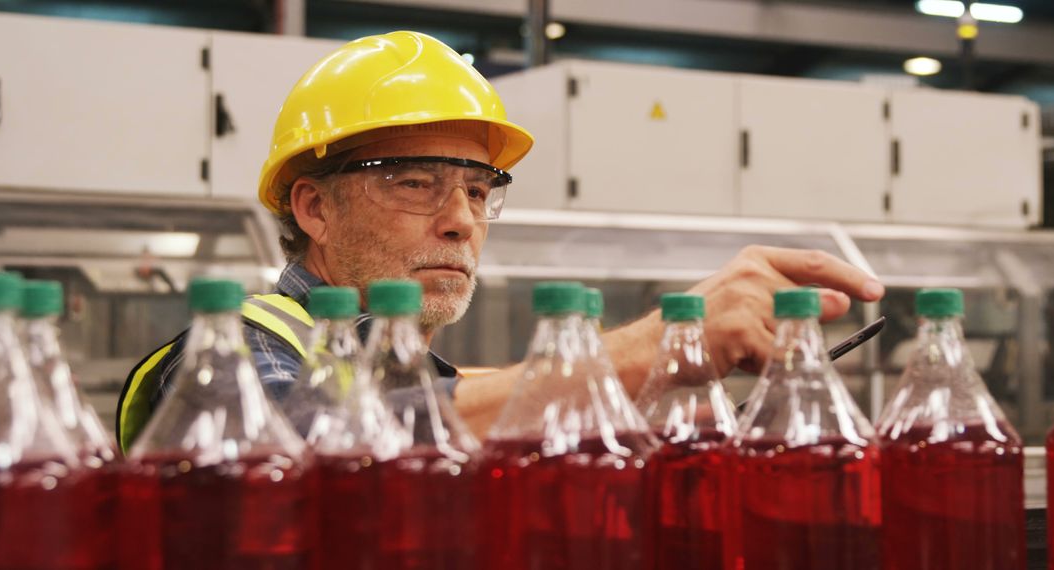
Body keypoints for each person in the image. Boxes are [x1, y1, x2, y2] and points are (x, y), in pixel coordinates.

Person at [116, 31, 884, 450]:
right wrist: (631, 354)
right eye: (415, 183)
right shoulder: (226, 358)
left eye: (480, 191)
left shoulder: (418, 372)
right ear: (313, 208)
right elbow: (311, 440)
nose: (461, 220)